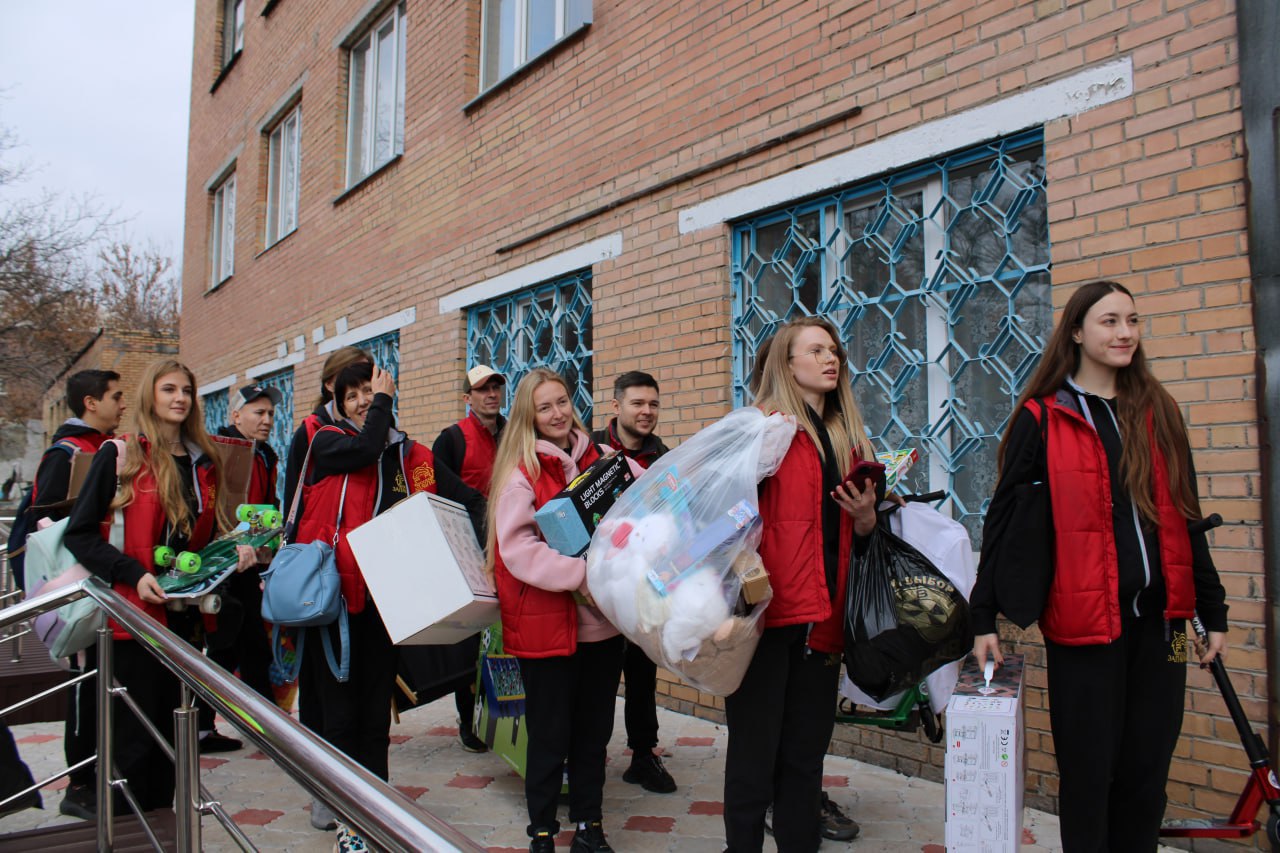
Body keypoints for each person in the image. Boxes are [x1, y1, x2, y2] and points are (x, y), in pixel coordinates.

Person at [971, 280, 1229, 852]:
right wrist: (982, 617)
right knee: (1090, 776)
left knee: (1148, 774)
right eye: (1110, 321)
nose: (1125, 333)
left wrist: (1213, 613)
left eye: (1132, 321)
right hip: (1083, 627)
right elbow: (1005, 522)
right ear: (1078, 333)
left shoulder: (1158, 409)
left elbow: (1186, 516)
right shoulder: (1045, 417)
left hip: (1168, 628)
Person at [725, 317, 879, 853]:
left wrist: (865, 519)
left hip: (826, 618)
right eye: (815, 350)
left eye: (834, 349)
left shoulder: (849, 439)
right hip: (768, 618)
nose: (830, 358)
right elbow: (725, 522)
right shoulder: (760, 429)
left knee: (804, 760)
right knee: (753, 755)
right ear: (786, 365)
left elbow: (853, 539)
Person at [64, 359, 240, 812]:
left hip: (185, 624)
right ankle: (127, 835)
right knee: (132, 747)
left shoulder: (204, 461)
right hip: (132, 622)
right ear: (151, 396)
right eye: (168, 389)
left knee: (172, 745)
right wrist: (133, 574)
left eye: (186, 389)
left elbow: (200, 541)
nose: (179, 398)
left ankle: (165, 832)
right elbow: (80, 534)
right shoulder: (120, 454)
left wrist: (234, 551)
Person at [487, 367, 641, 853]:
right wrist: (584, 576)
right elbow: (517, 550)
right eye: (544, 407)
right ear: (528, 417)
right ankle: (543, 833)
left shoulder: (603, 459)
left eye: (562, 402)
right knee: (550, 738)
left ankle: (590, 829)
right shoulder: (522, 473)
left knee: (594, 735)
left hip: (600, 627)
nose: (557, 414)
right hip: (547, 629)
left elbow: (645, 499)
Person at [28, 369, 126, 820]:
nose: (122, 404)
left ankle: (108, 770)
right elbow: (41, 525)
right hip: (78, 588)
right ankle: (80, 784)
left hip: (108, 583)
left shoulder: (112, 447)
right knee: (86, 687)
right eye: (115, 396)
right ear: (91, 402)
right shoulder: (68, 452)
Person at [283, 345, 370, 831]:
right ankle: (326, 789)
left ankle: (335, 781)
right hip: (321, 578)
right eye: (350, 388)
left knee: (334, 687)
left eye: (367, 388)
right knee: (324, 689)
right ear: (330, 387)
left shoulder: (355, 431)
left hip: (354, 579)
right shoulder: (319, 433)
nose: (360, 397)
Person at [590, 370, 677, 794]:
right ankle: (587, 757)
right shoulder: (589, 450)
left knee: (643, 674)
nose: (646, 412)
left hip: (645, 584)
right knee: (597, 679)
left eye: (653, 404)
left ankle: (644, 756)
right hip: (595, 589)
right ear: (616, 406)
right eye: (638, 403)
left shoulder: (665, 457)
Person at [197, 382, 286, 752]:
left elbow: (266, 507)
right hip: (222, 566)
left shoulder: (265, 455)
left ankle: (265, 724)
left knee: (249, 646)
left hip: (251, 565)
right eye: (258, 413)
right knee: (226, 646)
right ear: (235, 416)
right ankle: (205, 725)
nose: (267, 420)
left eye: (270, 414)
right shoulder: (220, 453)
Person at [432, 363, 508, 754]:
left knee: (505, 634)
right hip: (468, 551)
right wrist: (480, 505)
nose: (491, 394)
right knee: (471, 638)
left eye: (496, 387)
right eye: (482, 390)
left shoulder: (514, 433)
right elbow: (439, 485)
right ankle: (469, 719)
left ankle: (507, 716)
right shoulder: (452, 439)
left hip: (510, 547)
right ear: (468, 398)